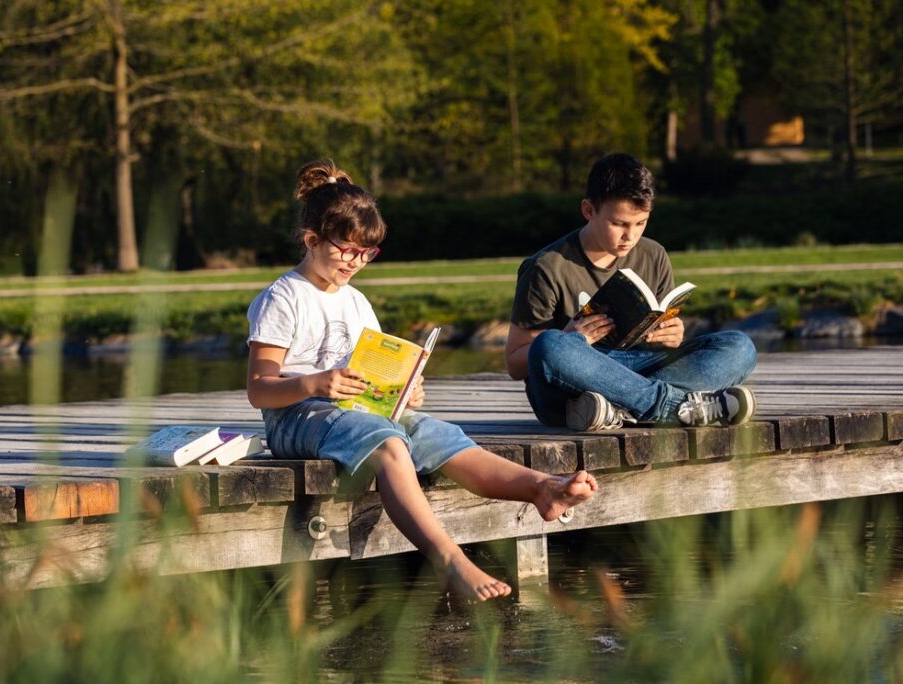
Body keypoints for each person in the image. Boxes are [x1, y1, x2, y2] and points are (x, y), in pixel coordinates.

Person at [246, 160, 599, 602]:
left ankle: (541, 489)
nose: (356, 262)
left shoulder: (355, 302)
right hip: (296, 416)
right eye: (347, 250)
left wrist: (403, 391)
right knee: (391, 445)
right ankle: (448, 559)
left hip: (352, 411)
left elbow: (369, 371)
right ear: (312, 240)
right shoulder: (283, 298)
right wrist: (315, 384)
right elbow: (259, 388)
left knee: (435, 433)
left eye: (367, 253)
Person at [504, 153, 758, 431]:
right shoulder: (547, 267)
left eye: (641, 223)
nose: (631, 236)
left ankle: (617, 410)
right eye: (619, 224)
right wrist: (572, 338)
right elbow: (516, 363)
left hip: (636, 370)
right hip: (573, 384)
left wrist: (672, 337)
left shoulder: (654, 255)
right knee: (550, 345)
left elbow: (660, 332)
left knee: (739, 347)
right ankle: (676, 407)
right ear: (589, 210)